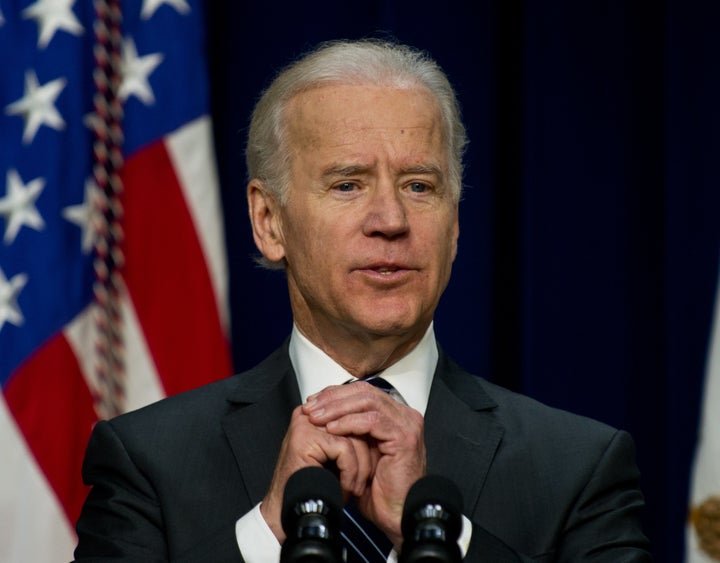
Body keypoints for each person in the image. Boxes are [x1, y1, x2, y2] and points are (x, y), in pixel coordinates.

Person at [73, 39, 651, 562]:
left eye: (419, 186)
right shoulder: (148, 463)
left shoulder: (578, 470)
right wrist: (267, 531)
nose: (391, 221)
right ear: (269, 221)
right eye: (347, 184)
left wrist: (444, 539)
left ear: (454, 227)